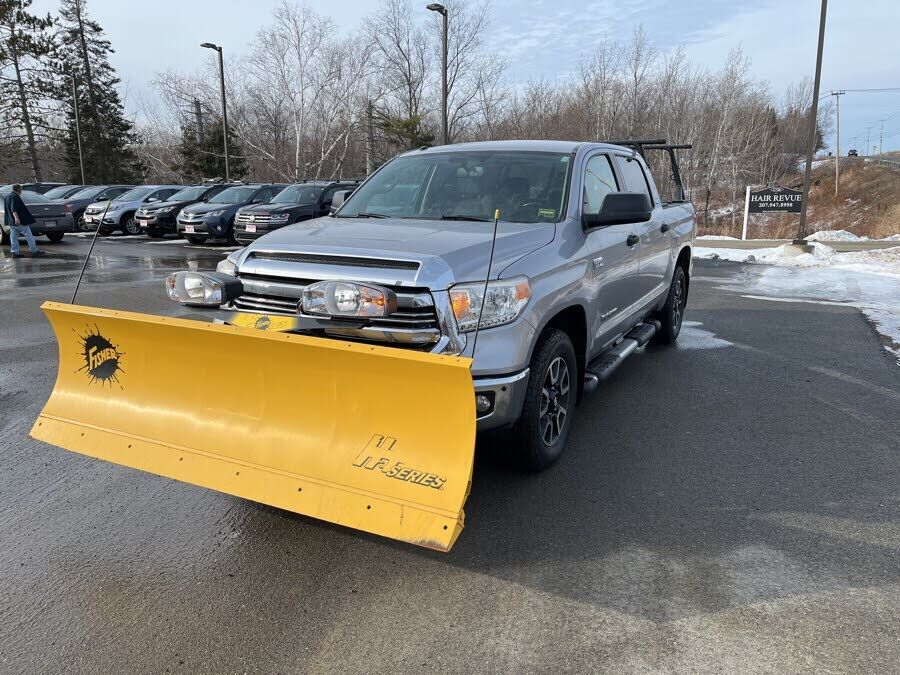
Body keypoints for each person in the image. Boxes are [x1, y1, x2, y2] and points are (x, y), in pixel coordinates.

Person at [4, 184, 45, 258]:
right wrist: (17, 218)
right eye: (20, 189)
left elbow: (8, 209)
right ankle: (34, 251)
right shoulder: (14, 197)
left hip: (12, 222)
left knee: (13, 237)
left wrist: (13, 219)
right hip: (19, 221)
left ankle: (15, 252)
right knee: (29, 236)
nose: (21, 191)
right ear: (18, 189)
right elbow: (14, 209)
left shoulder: (7, 196)